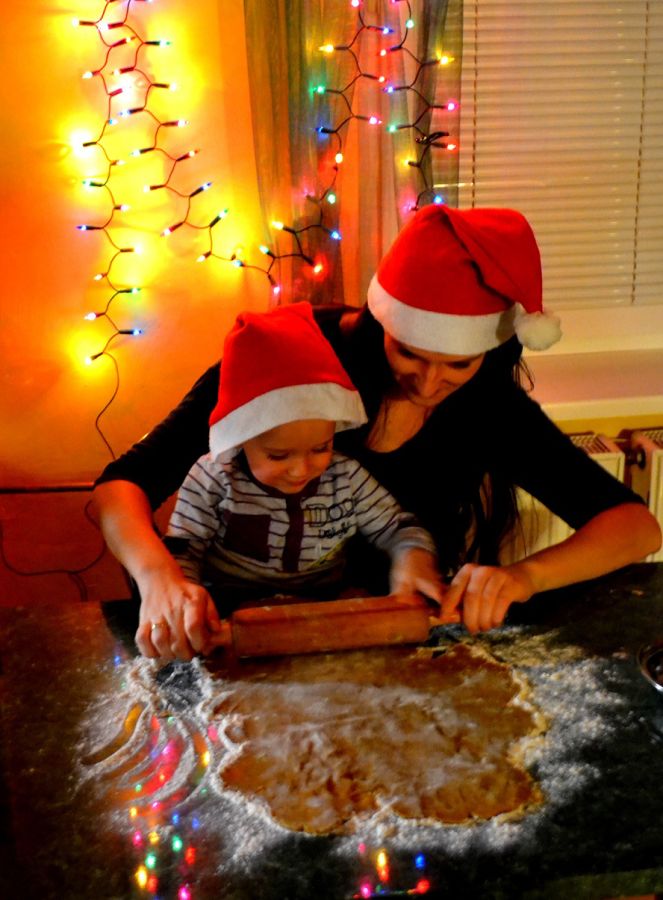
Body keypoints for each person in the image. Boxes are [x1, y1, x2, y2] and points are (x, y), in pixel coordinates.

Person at [93, 205, 662, 662]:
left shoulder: (489, 402)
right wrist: (159, 578)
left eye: (458, 365)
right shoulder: (292, 359)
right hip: (249, 633)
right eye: (408, 353)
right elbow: (120, 488)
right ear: (380, 322)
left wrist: (523, 577)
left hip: (403, 635)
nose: (430, 382)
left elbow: (635, 527)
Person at [162, 303, 442, 655]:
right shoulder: (213, 478)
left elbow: (397, 527)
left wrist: (413, 556)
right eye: (278, 455)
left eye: (321, 448)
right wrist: (186, 601)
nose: (301, 469)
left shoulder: (346, 476)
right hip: (230, 614)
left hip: (324, 613)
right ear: (241, 439)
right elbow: (183, 550)